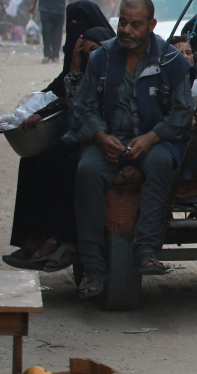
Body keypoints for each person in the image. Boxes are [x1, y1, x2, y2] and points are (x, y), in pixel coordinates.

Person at [73, 0, 196, 298]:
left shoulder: (172, 62)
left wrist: (153, 137)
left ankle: (146, 249)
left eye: (135, 24)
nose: (126, 29)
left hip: (156, 142)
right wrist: (101, 137)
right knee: (86, 171)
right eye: (122, 22)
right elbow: (83, 107)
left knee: (159, 164)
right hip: (109, 141)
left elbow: (183, 114)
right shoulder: (101, 57)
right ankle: (92, 267)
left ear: (151, 25)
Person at [3, 25, 115, 273]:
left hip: (107, 139)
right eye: (85, 52)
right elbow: (73, 103)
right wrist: (74, 68)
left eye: (94, 51)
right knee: (38, 160)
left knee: (69, 167)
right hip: (84, 136)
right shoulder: (84, 68)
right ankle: (38, 235)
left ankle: (68, 241)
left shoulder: (116, 70)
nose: (90, 57)